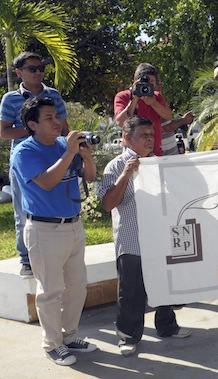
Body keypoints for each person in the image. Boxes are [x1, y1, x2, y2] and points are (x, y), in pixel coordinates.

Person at [11, 97, 97, 365]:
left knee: (77, 287)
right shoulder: (25, 152)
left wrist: (86, 157)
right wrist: (70, 153)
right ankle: (52, 344)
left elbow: (90, 177)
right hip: (44, 230)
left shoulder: (62, 145)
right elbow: (47, 182)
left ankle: (69, 337)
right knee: (50, 291)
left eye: (56, 116)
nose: (57, 122)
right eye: (48, 118)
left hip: (73, 225)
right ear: (32, 124)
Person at [98, 115, 192, 356]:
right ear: (128, 138)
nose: (150, 140)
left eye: (152, 136)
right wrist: (127, 174)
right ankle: (128, 336)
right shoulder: (116, 166)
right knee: (131, 292)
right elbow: (109, 203)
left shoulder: (158, 164)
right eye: (144, 135)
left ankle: (167, 327)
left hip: (159, 239)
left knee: (164, 286)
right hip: (131, 241)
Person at [0, 51, 70, 278]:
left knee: (60, 207)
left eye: (40, 68)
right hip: (24, 162)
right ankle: (26, 260)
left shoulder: (54, 96)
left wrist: (74, 151)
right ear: (19, 73)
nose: (38, 72)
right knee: (23, 212)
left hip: (54, 158)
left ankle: (63, 251)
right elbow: (3, 132)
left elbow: (64, 127)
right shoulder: (10, 99)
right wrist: (34, 129)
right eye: (32, 68)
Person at [114, 63, 172, 156]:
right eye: (144, 80)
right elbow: (121, 122)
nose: (147, 84)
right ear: (135, 80)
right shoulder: (123, 96)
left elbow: (169, 116)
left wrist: (153, 103)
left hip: (155, 153)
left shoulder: (157, 97)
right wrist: (134, 99)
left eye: (151, 81)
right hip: (132, 153)